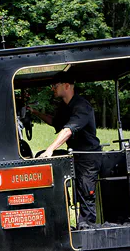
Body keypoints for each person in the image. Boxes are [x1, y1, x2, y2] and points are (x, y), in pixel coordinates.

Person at [30, 77, 102, 228]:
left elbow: (68, 130)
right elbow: (55, 122)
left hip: (87, 157)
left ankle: (86, 228)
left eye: (55, 85)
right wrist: (34, 112)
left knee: (85, 195)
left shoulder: (82, 106)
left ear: (67, 85)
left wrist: (51, 149)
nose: (52, 89)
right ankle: (57, 216)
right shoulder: (64, 107)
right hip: (74, 155)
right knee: (41, 158)